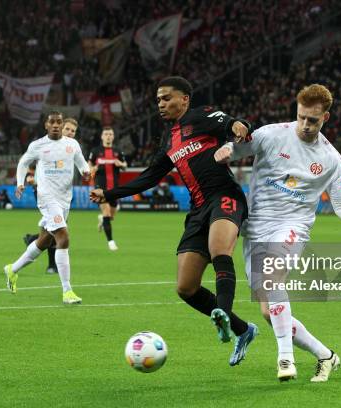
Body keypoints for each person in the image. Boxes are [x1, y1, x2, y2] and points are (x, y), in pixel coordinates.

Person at [216, 84, 341, 382]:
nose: (306, 125)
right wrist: (224, 151)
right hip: (254, 228)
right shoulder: (270, 134)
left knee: (273, 277)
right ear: (297, 112)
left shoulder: (331, 159)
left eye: (313, 120)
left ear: (326, 118)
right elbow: (234, 150)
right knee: (270, 312)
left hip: (293, 227)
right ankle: (326, 355)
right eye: (302, 117)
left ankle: (285, 359)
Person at [90, 76, 258, 366]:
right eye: (158, 100)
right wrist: (109, 193)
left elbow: (232, 123)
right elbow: (149, 177)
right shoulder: (169, 139)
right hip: (197, 210)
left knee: (220, 249)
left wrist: (240, 127)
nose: (161, 104)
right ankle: (243, 330)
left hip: (224, 196)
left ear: (185, 99)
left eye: (167, 98)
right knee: (186, 288)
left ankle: (223, 312)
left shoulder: (201, 116)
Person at [4, 112, 90, 304]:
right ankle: (67, 291)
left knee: (45, 240)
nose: (56, 125)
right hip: (46, 197)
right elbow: (23, 163)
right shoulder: (38, 146)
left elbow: (82, 164)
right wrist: (20, 183)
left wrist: (86, 173)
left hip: (65, 199)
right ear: (46, 125)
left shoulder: (72, 145)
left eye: (59, 122)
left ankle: (12, 269)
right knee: (63, 237)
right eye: (53, 122)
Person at [23, 118, 81, 274]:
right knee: (59, 229)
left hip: (63, 193)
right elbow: (29, 161)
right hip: (45, 193)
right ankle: (52, 266)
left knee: (53, 229)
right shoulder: (44, 145)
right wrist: (30, 176)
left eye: (73, 131)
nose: (70, 133)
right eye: (67, 129)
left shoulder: (71, 147)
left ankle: (32, 239)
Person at [88, 127, 127, 251]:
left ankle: (102, 219)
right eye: (106, 134)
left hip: (114, 188)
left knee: (110, 216)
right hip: (100, 188)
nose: (108, 136)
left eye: (110, 134)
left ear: (113, 136)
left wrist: (120, 164)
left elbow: (125, 166)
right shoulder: (95, 151)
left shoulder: (118, 151)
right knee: (106, 212)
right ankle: (111, 242)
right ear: (102, 136)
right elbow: (89, 166)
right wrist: (92, 169)